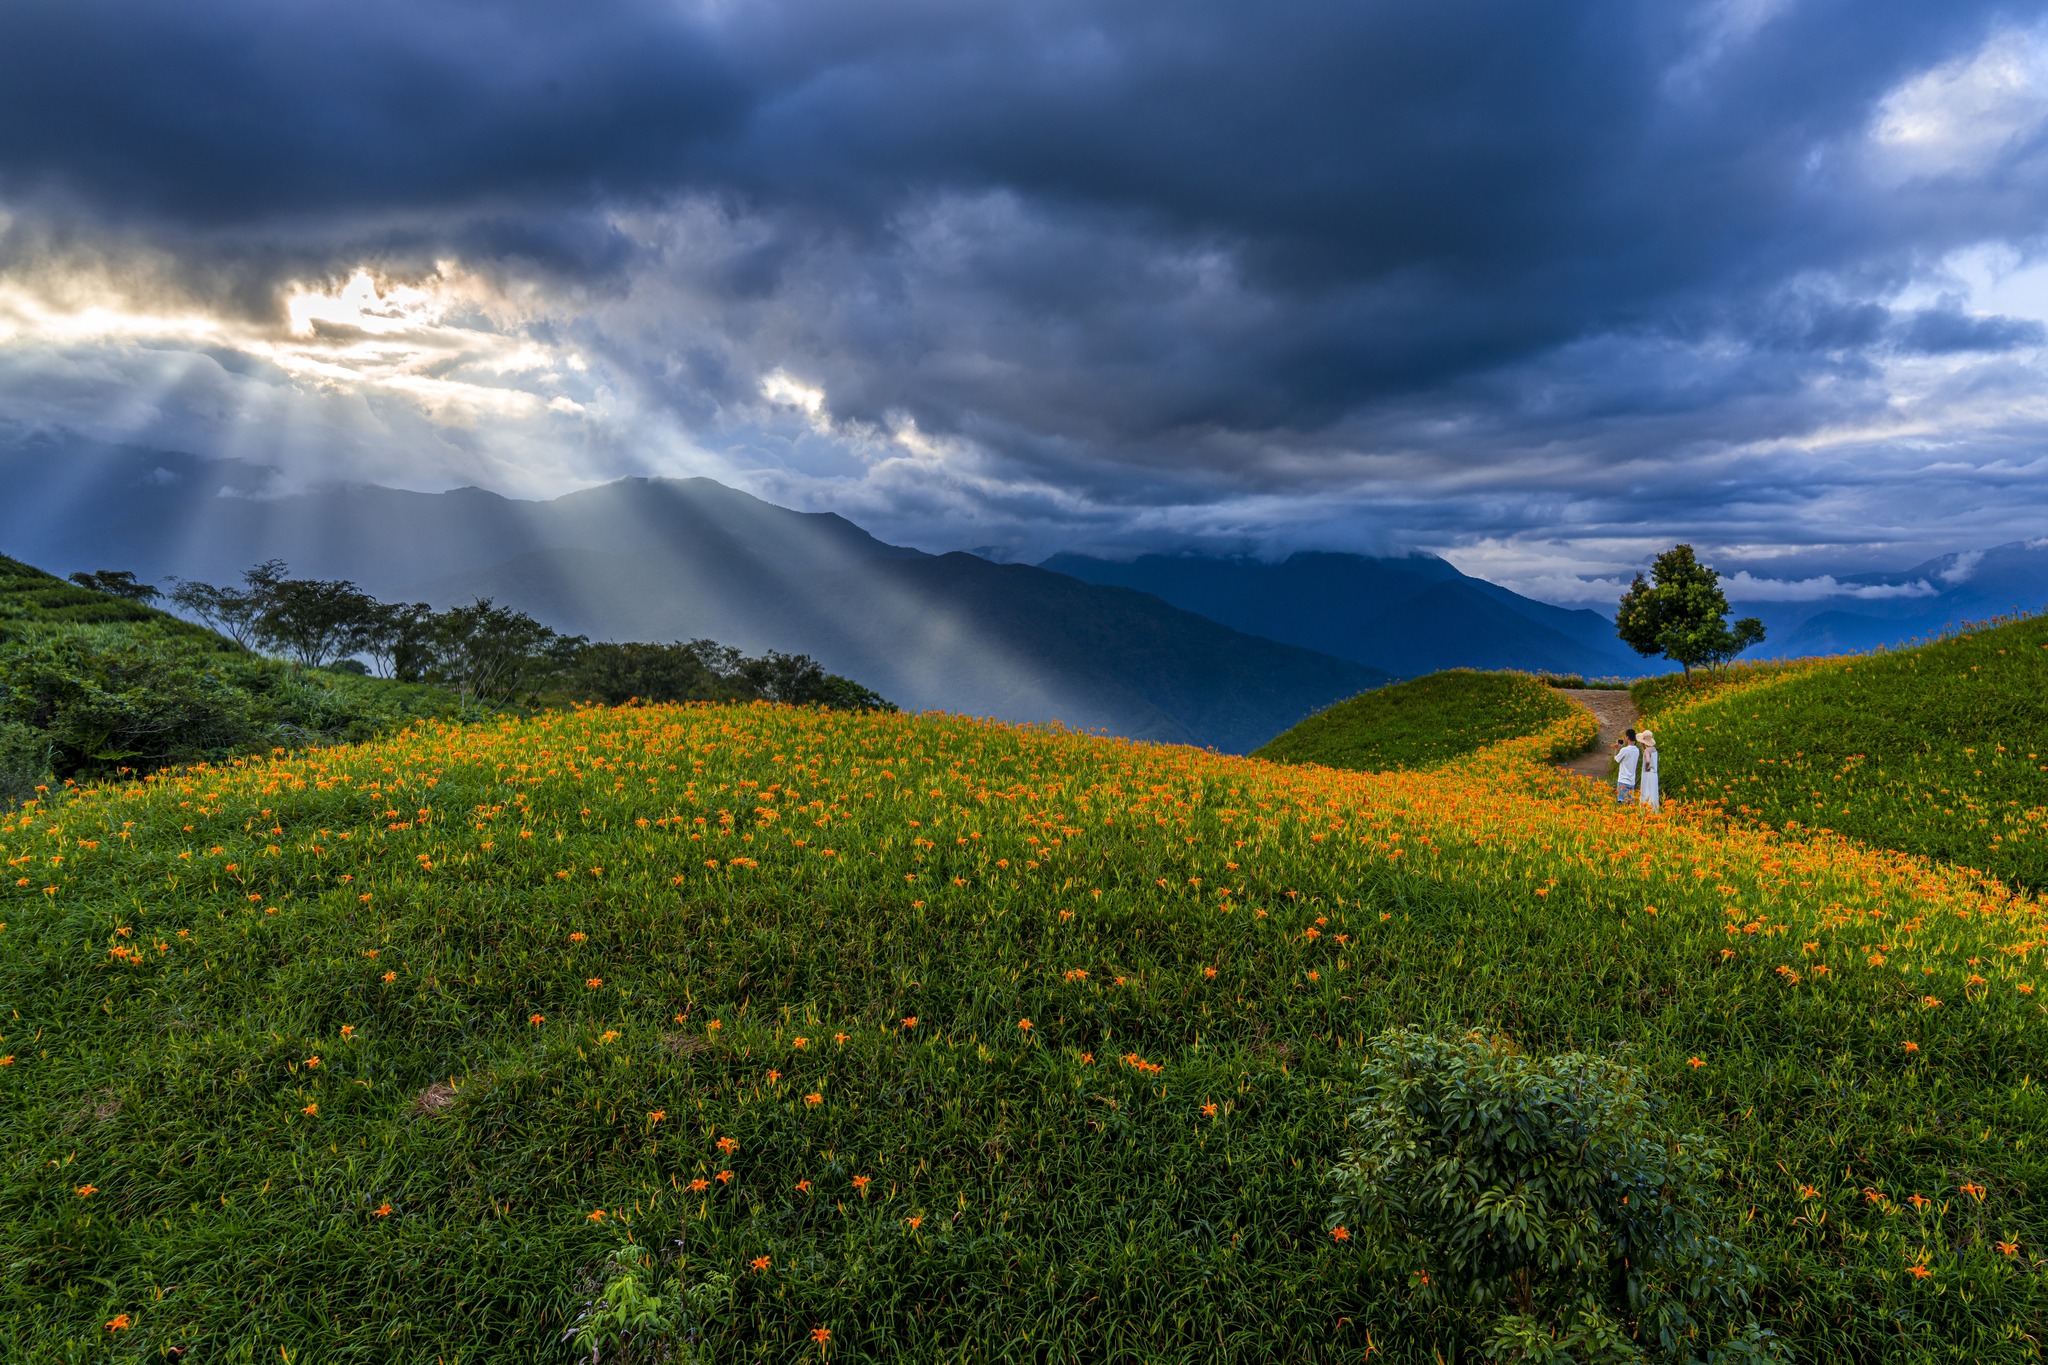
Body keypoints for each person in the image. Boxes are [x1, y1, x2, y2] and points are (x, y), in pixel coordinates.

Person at [1613, 728, 1640, 806]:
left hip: (1623, 780)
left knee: (1621, 803)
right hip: (1632, 781)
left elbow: (1616, 760)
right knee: (1629, 804)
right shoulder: (1637, 750)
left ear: (1627, 737)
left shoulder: (1624, 750)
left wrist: (1616, 748)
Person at [1638, 729, 1661, 812]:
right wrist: (1641, 747)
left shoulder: (1647, 750)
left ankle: (1646, 809)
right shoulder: (1653, 749)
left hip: (1648, 774)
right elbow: (1646, 753)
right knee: (1653, 791)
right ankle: (1654, 809)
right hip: (1654, 774)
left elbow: (1647, 760)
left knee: (1646, 790)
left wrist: (1647, 767)